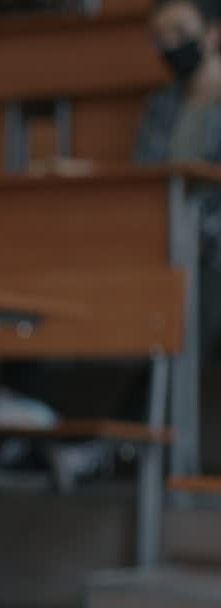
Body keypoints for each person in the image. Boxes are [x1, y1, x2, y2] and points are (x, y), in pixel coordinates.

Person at [137, 0, 221, 350]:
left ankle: (152, 402)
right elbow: (148, 173)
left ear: (213, 33)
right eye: (161, 37)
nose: (171, 45)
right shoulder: (161, 104)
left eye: (180, 32)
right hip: (170, 235)